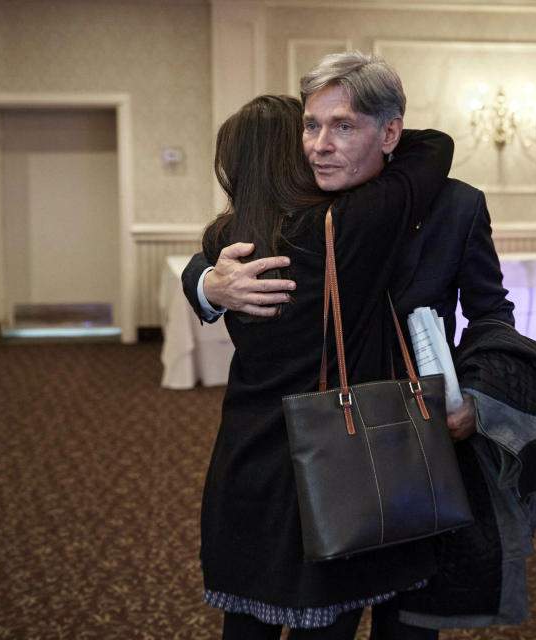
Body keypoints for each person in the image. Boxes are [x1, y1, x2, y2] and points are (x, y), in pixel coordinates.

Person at [196, 90, 455, 638]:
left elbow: (203, 269)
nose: (321, 143)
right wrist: (361, 132)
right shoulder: (348, 224)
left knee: (246, 613)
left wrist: (205, 282)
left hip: (247, 448)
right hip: (334, 446)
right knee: (325, 616)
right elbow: (435, 146)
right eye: (310, 132)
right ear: (295, 155)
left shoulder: (222, 244)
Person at [181, 52, 515, 443]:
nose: (319, 147)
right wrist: (208, 283)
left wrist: (479, 396)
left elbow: (491, 313)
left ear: (390, 134)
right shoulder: (300, 204)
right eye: (310, 126)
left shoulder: (456, 206)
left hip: (414, 430)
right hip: (305, 433)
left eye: (342, 126)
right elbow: (223, 243)